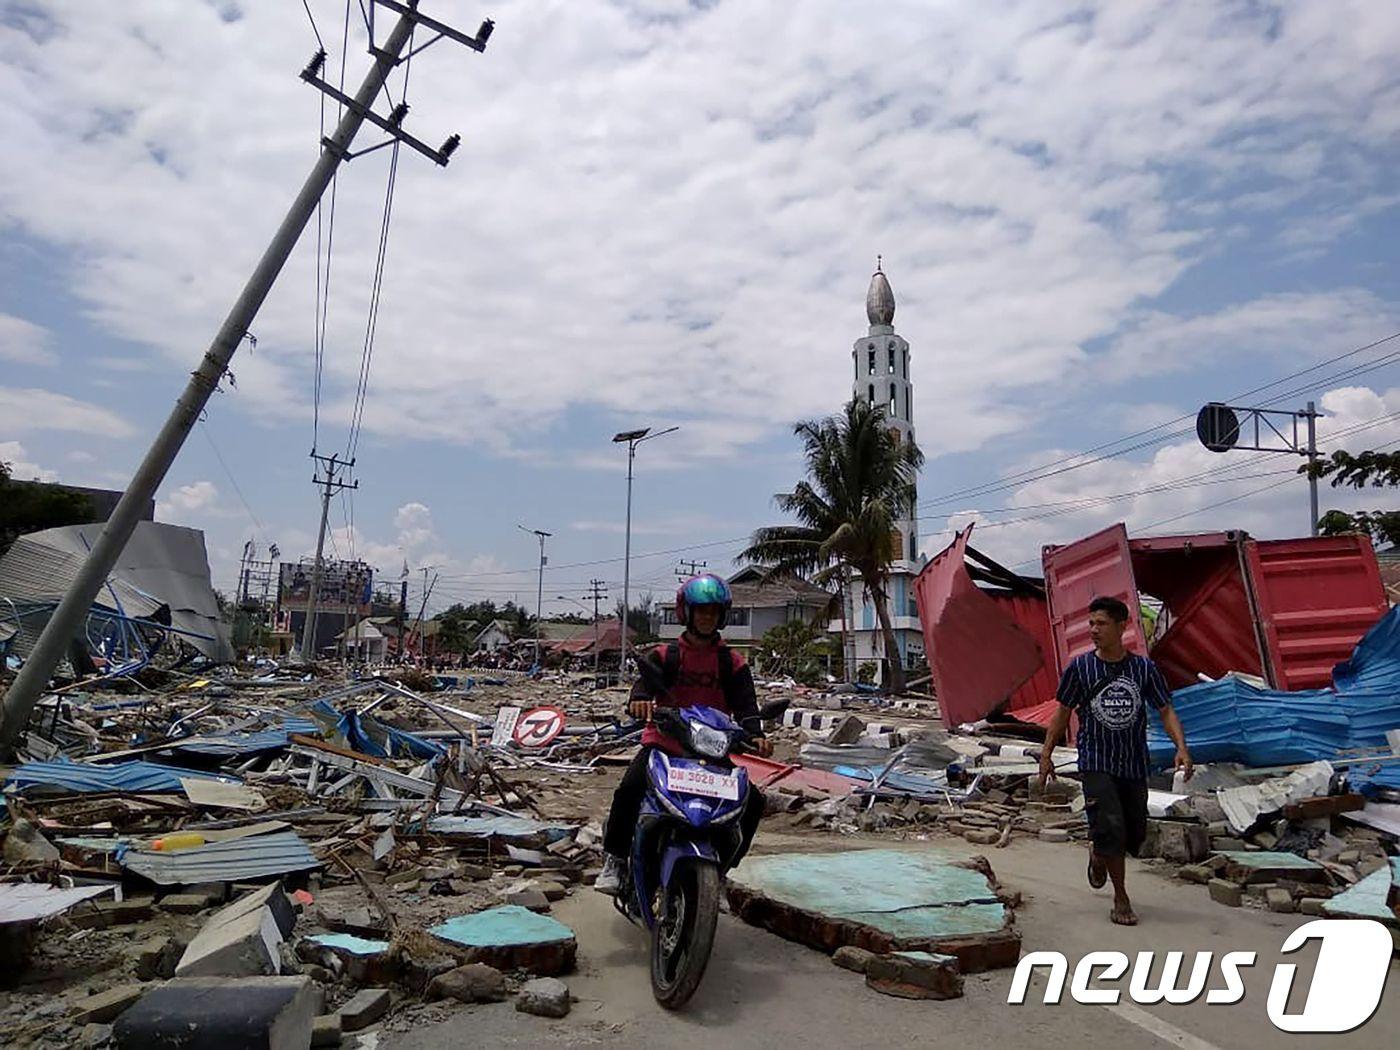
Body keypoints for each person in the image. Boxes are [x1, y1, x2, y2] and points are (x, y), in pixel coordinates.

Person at [595, 573, 772, 895]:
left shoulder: (732, 663)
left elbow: (747, 707)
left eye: (713, 611)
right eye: (701, 610)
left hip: (712, 752)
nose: (707, 617)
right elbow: (643, 686)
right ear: (686, 613)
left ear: (722, 616)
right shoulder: (665, 656)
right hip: (665, 746)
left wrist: (756, 734)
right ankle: (615, 860)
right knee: (630, 789)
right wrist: (638, 702)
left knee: (753, 801)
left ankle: (721, 871)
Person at [1037, 595, 1193, 926]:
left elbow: (1165, 709)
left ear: (1122, 627)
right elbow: (1062, 712)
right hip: (1096, 759)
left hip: (1133, 762)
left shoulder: (1143, 669)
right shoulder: (1080, 668)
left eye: (1101, 623)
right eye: (1091, 623)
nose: (1093, 630)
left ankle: (1099, 853)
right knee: (1110, 825)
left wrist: (1181, 747)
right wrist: (1046, 754)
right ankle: (1121, 896)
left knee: (1134, 833)